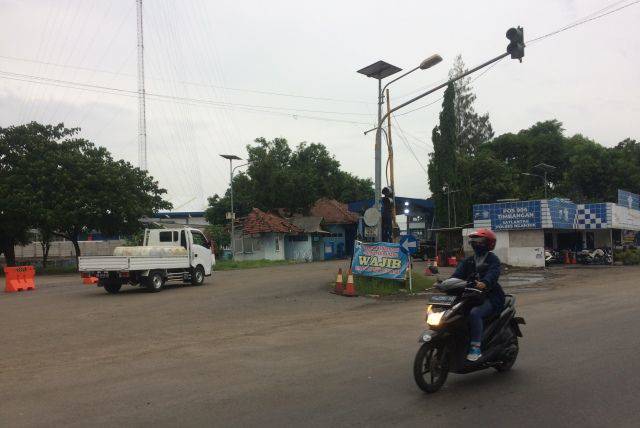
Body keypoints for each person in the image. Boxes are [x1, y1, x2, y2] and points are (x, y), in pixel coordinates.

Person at [451, 228, 505, 362]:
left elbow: (493, 274)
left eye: (479, 241)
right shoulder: (469, 261)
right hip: (471, 296)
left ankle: (475, 347)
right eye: (473, 241)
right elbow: (457, 275)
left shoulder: (493, 260)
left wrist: (485, 282)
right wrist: (446, 283)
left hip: (491, 296)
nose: (476, 243)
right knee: (454, 312)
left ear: (489, 243)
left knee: (475, 313)